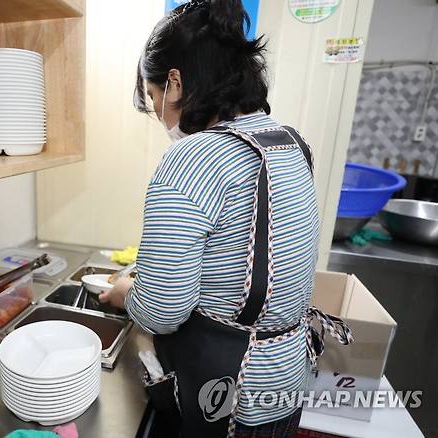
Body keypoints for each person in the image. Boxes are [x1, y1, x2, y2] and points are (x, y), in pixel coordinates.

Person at [98, 1, 352, 437]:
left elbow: (161, 311)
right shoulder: (288, 141)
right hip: (288, 379)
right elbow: (242, 255)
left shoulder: (192, 157)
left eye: (154, 97)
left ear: (175, 83)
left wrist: (125, 292)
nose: (158, 114)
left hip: (228, 394)